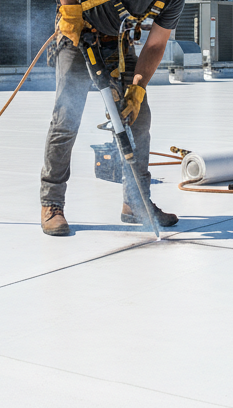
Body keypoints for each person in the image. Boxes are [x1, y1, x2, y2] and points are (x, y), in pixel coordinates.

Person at [40, 0, 184, 236]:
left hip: (116, 42)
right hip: (76, 31)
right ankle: (51, 203)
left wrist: (137, 90)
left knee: (138, 118)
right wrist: (70, 10)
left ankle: (136, 204)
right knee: (67, 119)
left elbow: (156, 44)